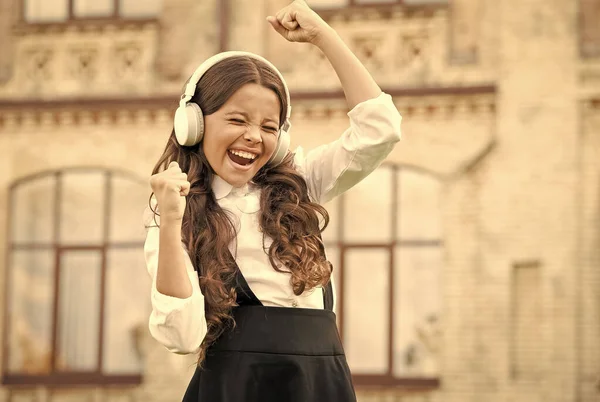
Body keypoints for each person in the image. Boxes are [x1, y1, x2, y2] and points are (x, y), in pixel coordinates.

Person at [143, 1, 402, 401]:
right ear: (193, 123)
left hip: (322, 384)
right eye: (236, 120)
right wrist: (172, 222)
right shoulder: (177, 212)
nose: (253, 136)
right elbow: (181, 336)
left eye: (268, 127)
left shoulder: (301, 183)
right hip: (236, 389)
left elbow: (379, 131)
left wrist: (323, 37)